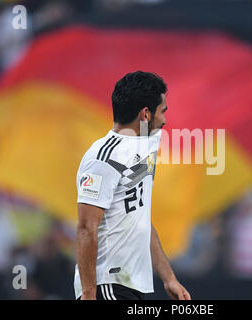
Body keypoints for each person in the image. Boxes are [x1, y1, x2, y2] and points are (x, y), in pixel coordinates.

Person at [74, 71, 191, 300]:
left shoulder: (143, 149)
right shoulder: (102, 158)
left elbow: (139, 220)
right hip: (106, 286)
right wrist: (89, 293)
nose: (165, 120)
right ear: (145, 114)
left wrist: (169, 278)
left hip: (130, 286)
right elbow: (86, 227)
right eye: (162, 111)